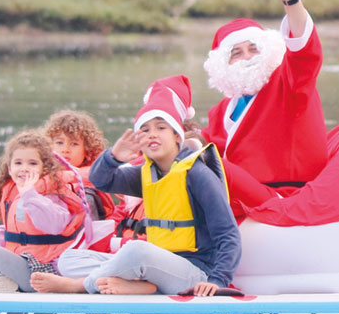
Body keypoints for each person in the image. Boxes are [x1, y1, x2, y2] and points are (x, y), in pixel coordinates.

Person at [30, 75, 241, 296]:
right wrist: (113, 157)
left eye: (161, 128)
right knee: (70, 259)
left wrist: (217, 280)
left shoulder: (198, 175)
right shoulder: (147, 174)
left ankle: (82, 285)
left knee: (137, 251)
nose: (153, 135)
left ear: (177, 136)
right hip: (153, 266)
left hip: (195, 272)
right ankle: (142, 287)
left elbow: (228, 235)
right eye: (146, 130)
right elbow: (102, 179)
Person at [201, 0, 327, 217]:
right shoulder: (221, 112)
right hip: (239, 201)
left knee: (205, 163)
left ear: (269, 50)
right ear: (224, 66)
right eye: (236, 53)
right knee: (191, 151)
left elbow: (305, 55)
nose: (247, 57)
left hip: (285, 196)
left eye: (253, 48)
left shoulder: (290, 85)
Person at [0, 130, 89, 293]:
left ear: (45, 167)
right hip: (24, 264)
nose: (25, 169)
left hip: (45, 273)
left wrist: (30, 195)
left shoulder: (50, 195)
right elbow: (8, 233)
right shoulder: (15, 192)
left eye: (33, 163)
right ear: (9, 167)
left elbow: (55, 225)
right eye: (19, 163)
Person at [42, 109, 115, 221]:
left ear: (87, 150)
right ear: (49, 146)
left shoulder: (90, 190)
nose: (65, 149)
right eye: (59, 142)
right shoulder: (36, 177)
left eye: (74, 144)